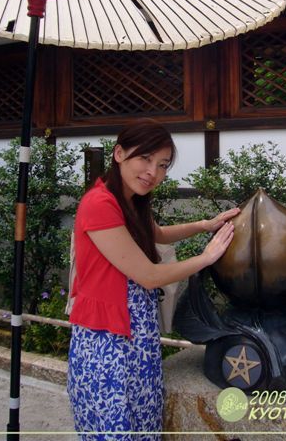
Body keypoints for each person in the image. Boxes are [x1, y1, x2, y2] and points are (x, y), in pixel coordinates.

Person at [67, 119, 239, 440]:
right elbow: (148, 276)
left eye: (161, 165)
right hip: (106, 339)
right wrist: (206, 258)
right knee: (114, 426)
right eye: (144, 159)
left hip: (136, 331)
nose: (153, 173)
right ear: (119, 154)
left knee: (144, 421)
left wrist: (206, 224)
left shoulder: (129, 199)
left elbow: (156, 234)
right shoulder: (99, 203)